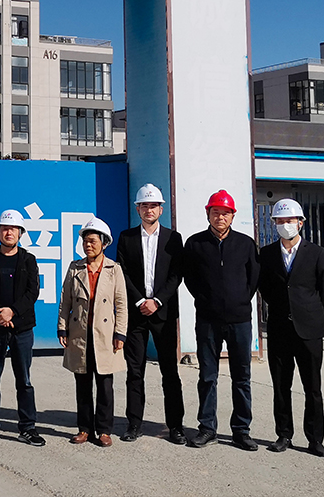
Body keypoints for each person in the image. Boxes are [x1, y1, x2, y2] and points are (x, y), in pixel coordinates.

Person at [258, 198, 324, 458]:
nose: (285, 225)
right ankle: (284, 435)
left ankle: (315, 439)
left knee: (312, 387)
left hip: (309, 330)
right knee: (281, 386)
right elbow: (265, 288)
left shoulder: (317, 253)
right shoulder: (267, 254)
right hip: (279, 327)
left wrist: (306, 310)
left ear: (300, 223)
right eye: (280, 221)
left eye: (289, 220)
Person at [183, 190, 260, 450]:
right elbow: (190, 278)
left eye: (225, 213)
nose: (220, 217)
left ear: (233, 216)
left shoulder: (245, 244)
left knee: (242, 376)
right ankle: (207, 428)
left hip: (240, 321)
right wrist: (207, 299)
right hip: (208, 320)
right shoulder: (195, 244)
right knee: (208, 376)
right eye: (215, 212)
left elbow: (253, 278)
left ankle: (241, 431)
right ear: (208, 214)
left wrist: (239, 300)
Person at [116, 183, 187, 445]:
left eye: (154, 205)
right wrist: (139, 301)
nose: (149, 210)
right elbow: (122, 272)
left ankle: (176, 426)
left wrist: (156, 301)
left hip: (163, 313)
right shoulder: (126, 237)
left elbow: (176, 274)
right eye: (144, 205)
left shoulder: (173, 238)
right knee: (135, 372)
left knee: (170, 372)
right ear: (138, 209)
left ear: (161, 209)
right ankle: (134, 424)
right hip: (136, 314)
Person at [0, 209, 45, 447]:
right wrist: (0, 313)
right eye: (4, 228)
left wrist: (12, 311)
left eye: (13, 229)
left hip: (22, 329)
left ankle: (27, 428)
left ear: (21, 233)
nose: (9, 232)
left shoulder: (28, 260)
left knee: (24, 380)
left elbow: (32, 292)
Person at [58, 216, 128, 447]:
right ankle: (84, 429)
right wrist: (62, 327)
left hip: (105, 335)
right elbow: (65, 301)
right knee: (83, 383)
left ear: (104, 243)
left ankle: (105, 430)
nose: (88, 245)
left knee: (105, 385)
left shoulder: (114, 269)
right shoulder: (75, 268)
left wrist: (120, 333)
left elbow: (121, 304)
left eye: (93, 241)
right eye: (85, 241)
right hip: (80, 333)